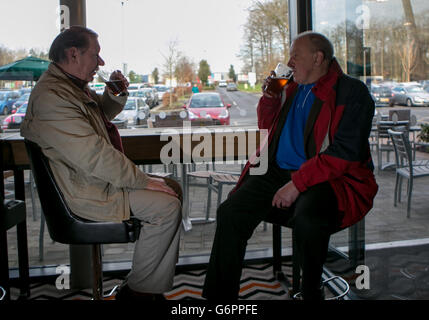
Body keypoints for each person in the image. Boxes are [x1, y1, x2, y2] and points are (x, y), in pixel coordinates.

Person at [202, 31, 378, 300]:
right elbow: (266, 127)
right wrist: (271, 98)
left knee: (308, 221)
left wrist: (297, 184)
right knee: (230, 213)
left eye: (296, 54)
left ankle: (310, 291)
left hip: (327, 180)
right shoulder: (291, 88)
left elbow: (346, 152)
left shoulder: (352, 92)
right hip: (277, 174)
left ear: (318, 58)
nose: (289, 61)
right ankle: (219, 300)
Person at [21, 26, 182, 301]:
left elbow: (101, 113)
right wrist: (143, 180)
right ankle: (139, 293)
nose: (101, 63)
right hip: (83, 195)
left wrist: (115, 93)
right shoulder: (53, 97)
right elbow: (95, 155)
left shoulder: (68, 88)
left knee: (172, 187)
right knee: (167, 207)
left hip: (92, 183)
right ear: (73, 54)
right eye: (96, 55)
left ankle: (145, 284)